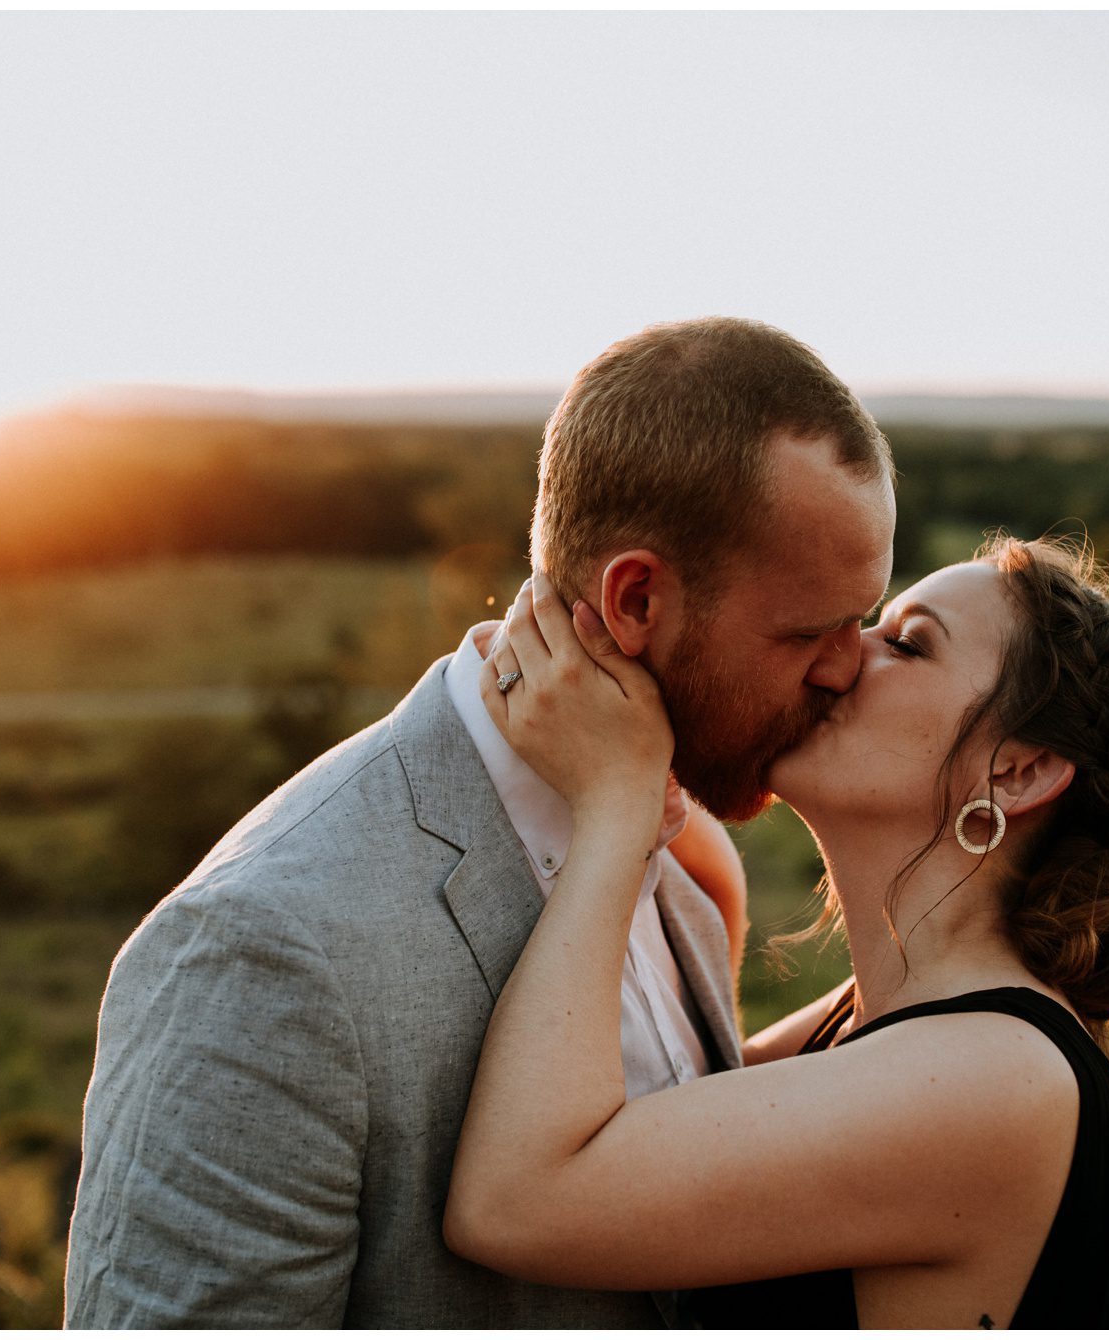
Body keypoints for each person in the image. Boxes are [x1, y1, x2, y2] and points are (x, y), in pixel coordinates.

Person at [63, 316, 897, 1326]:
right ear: (635, 599)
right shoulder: (261, 947)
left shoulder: (675, 853)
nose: (849, 666)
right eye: (807, 630)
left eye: (864, 618)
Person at [444, 533, 1109, 1328]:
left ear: (1017, 772)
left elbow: (514, 1198)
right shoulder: (873, 1019)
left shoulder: (995, 1081)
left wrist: (612, 807)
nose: (844, 657)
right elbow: (678, 1098)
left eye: (908, 645)